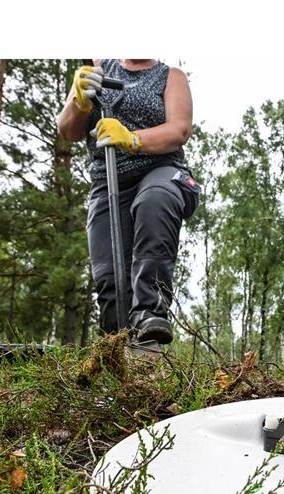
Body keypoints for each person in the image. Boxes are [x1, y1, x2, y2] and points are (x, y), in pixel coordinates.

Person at [56, 58, 198, 345]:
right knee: (110, 279)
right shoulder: (95, 69)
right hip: (108, 183)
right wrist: (79, 102)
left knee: (154, 201)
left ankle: (150, 314)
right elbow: (67, 130)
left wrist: (131, 138)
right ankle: (117, 350)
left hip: (160, 171)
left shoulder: (171, 76)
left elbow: (179, 130)